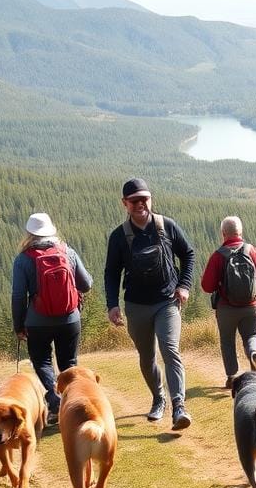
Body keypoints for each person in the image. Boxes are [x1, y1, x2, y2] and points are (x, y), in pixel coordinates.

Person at [103, 178, 198, 430]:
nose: (140, 204)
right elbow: (111, 273)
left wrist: (184, 286)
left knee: (170, 350)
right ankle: (158, 398)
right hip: (136, 306)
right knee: (147, 357)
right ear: (125, 203)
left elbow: (188, 254)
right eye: (134, 201)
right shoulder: (118, 237)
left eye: (144, 199)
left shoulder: (166, 226)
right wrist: (112, 305)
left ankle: (179, 407)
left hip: (167, 302)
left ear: (150, 199)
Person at [12, 212, 93, 429]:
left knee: (42, 362)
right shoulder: (68, 252)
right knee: (69, 363)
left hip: (38, 322)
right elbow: (86, 285)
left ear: (29, 234)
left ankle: (56, 403)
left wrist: (18, 325)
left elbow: (19, 296)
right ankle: (75, 407)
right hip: (70, 318)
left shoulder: (23, 259)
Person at [200, 216, 256, 388]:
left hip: (226, 308)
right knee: (251, 336)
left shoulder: (218, 256)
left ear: (223, 233)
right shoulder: (252, 251)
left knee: (227, 341)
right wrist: (255, 291)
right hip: (251, 307)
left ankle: (232, 377)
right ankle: (255, 357)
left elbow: (207, 286)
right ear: (240, 232)